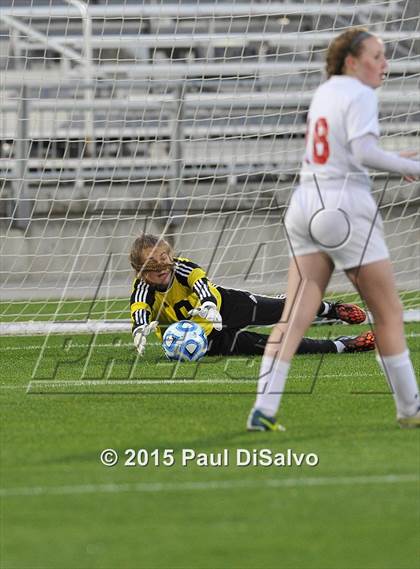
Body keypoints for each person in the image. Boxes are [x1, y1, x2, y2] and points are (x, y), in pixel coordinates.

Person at [248, 27, 420, 432]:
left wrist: (393, 157)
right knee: (389, 313)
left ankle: (264, 408)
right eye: (377, 56)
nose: (385, 64)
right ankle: (411, 409)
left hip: (306, 203)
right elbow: (361, 152)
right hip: (344, 206)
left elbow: (348, 152)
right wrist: (411, 166)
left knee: (294, 316)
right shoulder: (359, 93)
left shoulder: (326, 90)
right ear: (352, 61)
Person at [129, 232, 374, 359]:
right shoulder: (143, 288)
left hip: (227, 305)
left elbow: (201, 285)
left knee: (281, 309)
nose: (161, 266)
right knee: (275, 347)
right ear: (140, 270)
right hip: (208, 340)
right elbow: (139, 307)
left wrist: (208, 305)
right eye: (152, 263)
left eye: (164, 258)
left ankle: (329, 310)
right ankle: (343, 345)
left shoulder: (183, 268)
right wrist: (139, 327)